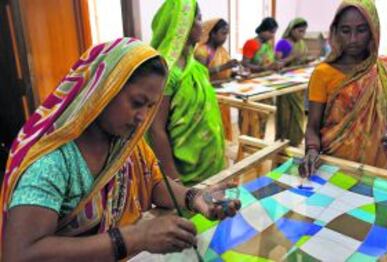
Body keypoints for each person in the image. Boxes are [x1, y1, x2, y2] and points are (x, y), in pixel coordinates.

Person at [1, 38, 239, 261]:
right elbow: (20, 253)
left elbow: (154, 184)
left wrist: (195, 198)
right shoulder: (53, 162)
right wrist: (136, 237)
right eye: (137, 103)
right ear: (104, 90)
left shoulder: (124, 144)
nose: (142, 117)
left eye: (150, 106)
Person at [301, 0, 387, 177]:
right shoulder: (323, 73)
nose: (353, 39)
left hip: (378, 165)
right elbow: (313, 127)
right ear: (335, 32)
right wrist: (311, 150)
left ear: (373, 31)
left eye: (362, 30)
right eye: (345, 31)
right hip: (336, 165)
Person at [149, 0, 226, 186]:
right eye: (199, 19)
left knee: (212, 211)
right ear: (182, 23)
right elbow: (155, 129)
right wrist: (174, 181)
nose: (203, 24)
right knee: (191, 213)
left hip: (209, 165)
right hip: (184, 174)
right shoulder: (167, 73)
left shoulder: (197, 69)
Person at [195, 18, 237, 141]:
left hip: (223, 93)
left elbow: (223, 71)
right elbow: (201, 73)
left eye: (227, 34)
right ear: (212, 33)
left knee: (223, 127)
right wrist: (224, 67)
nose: (225, 37)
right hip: (209, 95)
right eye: (223, 33)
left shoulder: (221, 50)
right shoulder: (202, 51)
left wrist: (232, 73)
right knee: (212, 129)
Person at [274, 18, 309, 147]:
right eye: (300, 31)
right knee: (285, 114)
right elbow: (278, 64)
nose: (302, 35)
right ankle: (283, 141)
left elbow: (302, 59)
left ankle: (295, 141)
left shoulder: (302, 43)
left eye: (304, 32)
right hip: (285, 83)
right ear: (292, 30)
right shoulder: (283, 43)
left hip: (298, 83)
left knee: (298, 113)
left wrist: (306, 60)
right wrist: (292, 58)